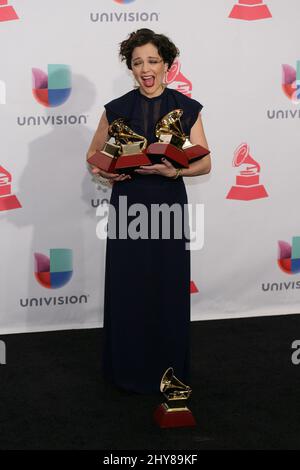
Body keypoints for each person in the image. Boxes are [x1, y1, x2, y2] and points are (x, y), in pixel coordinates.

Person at [87, 29, 211, 394]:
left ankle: (168, 371)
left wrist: (175, 170)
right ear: (131, 68)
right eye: (138, 62)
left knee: (167, 287)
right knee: (128, 287)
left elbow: (204, 164)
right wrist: (102, 170)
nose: (146, 68)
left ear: (168, 65)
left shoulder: (188, 108)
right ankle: (126, 370)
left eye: (153, 61)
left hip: (169, 206)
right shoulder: (116, 108)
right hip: (128, 206)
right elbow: (93, 155)